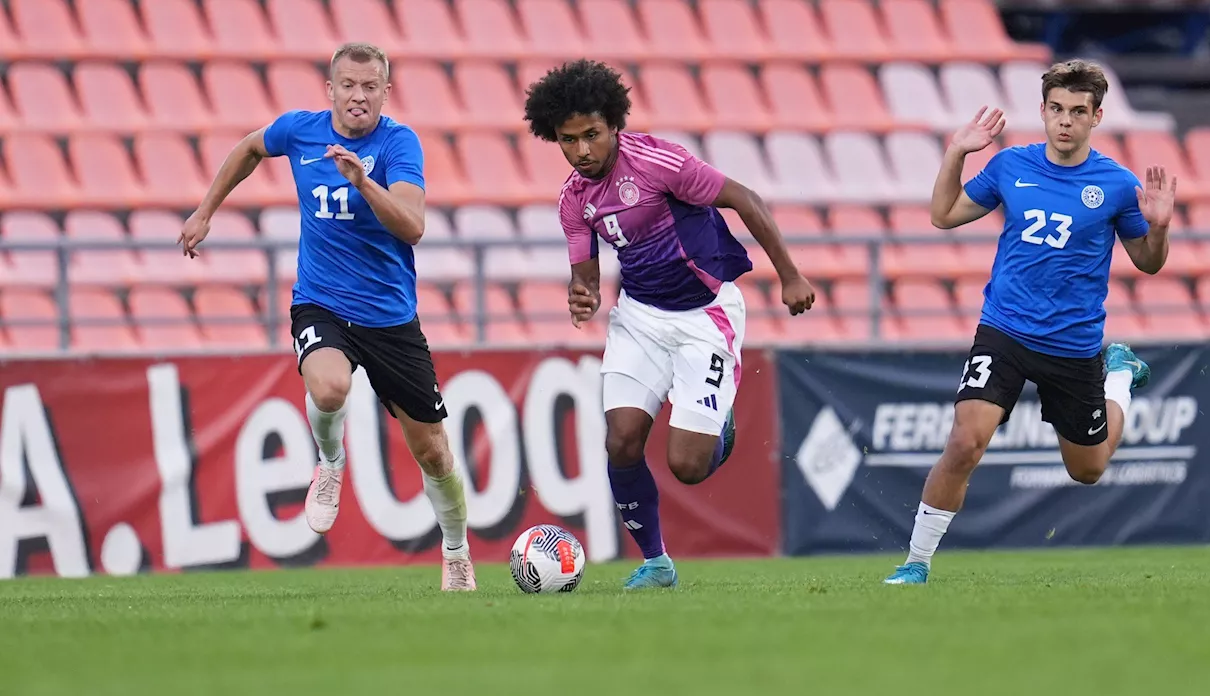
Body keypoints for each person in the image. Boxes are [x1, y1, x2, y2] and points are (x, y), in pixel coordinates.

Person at [178, 43, 476, 592]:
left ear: (385, 93)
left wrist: (364, 182)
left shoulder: (398, 144)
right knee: (331, 387)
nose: (358, 95)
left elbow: (412, 226)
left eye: (369, 86)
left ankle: (456, 551)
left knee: (433, 451)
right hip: (321, 301)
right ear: (331, 89)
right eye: (348, 85)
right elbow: (248, 148)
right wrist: (205, 210)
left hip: (390, 317)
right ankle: (330, 461)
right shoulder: (300, 131)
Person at [523, 59, 817, 590]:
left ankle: (717, 429)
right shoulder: (572, 200)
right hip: (639, 318)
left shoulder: (659, 163)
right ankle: (656, 561)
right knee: (622, 441)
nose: (582, 151)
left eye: (592, 135)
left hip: (704, 315)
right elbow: (584, 274)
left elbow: (745, 199)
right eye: (568, 141)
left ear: (614, 124)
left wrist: (790, 276)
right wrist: (582, 296)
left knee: (687, 465)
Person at [884, 59, 1178, 585]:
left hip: (1072, 342)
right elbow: (943, 214)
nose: (1066, 121)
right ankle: (916, 563)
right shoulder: (1010, 166)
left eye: (1078, 112)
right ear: (1043, 111)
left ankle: (1118, 376)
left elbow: (1149, 262)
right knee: (965, 441)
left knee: (1086, 471)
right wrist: (957, 151)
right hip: (1005, 328)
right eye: (1057, 109)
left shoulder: (1115, 184)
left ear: (1097, 117)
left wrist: (1157, 228)